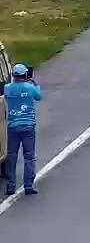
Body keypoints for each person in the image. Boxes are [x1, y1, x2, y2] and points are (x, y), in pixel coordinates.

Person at [4, 64, 42, 196]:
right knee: (29, 156)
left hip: (13, 126)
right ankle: (28, 185)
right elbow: (38, 96)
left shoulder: (7, 88)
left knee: (12, 156)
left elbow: (7, 96)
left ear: (13, 75)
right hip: (28, 126)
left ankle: (11, 186)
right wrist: (35, 84)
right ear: (26, 75)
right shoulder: (30, 87)